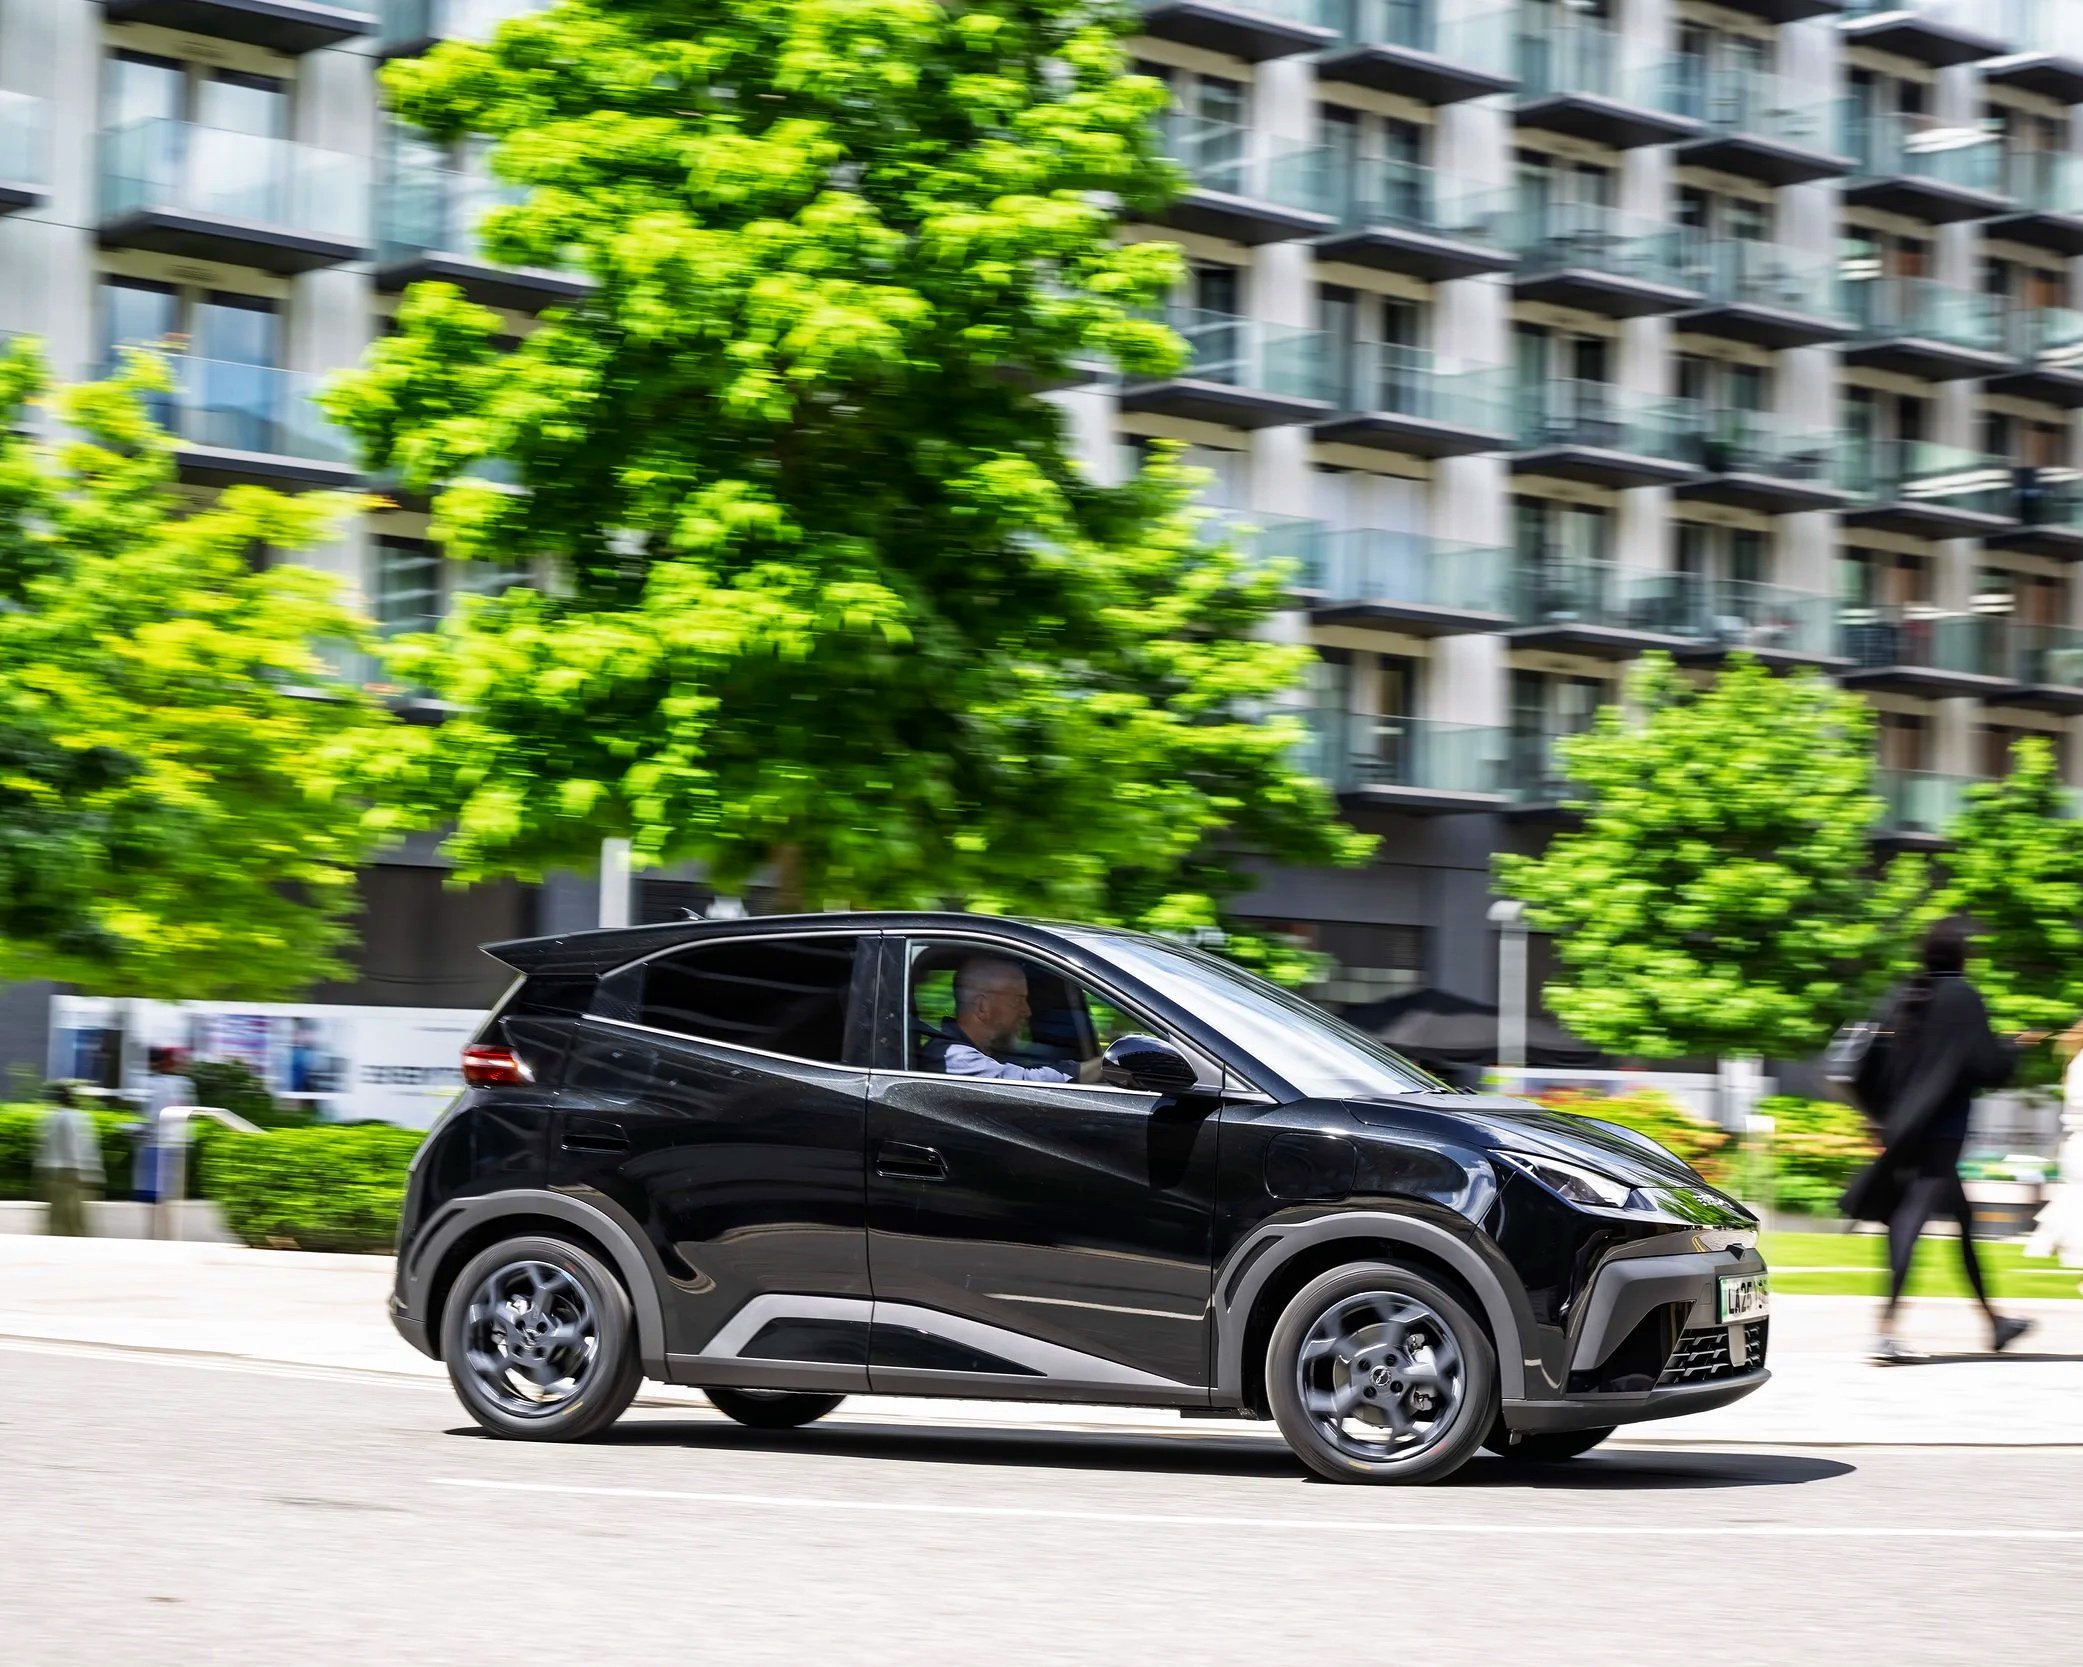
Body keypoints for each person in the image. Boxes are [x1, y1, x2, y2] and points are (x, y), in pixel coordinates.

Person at [1841, 918, 2041, 1363]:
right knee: (1910, 1217)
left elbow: (1874, 1063)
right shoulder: (1962, 997)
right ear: (1961, 954)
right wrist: (2014, 1048)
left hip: (1901, 1128)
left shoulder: (1906, 993)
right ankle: (1885, 1330)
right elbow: (1989, 1068)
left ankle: (1995, 1322)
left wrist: (1878, 1120)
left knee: (1962, 1219)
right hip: (1942, 1131)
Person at [921, 956, 1105, 1084]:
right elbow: (1026, 1084)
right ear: (982, 1007)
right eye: (1017, 1001)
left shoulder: (988, 1053)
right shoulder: (952, 1057)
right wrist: (1107, 1065)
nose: (1027, 1011)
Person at [36, 1085, 103, 1237]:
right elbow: (79, 1146)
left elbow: (57, 1146)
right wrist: (89, 1173)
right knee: (73, 1215)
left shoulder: (55, 1117)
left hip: (59, 1171)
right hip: (70, 1170)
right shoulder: (77, 1117)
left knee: (59, 1215)